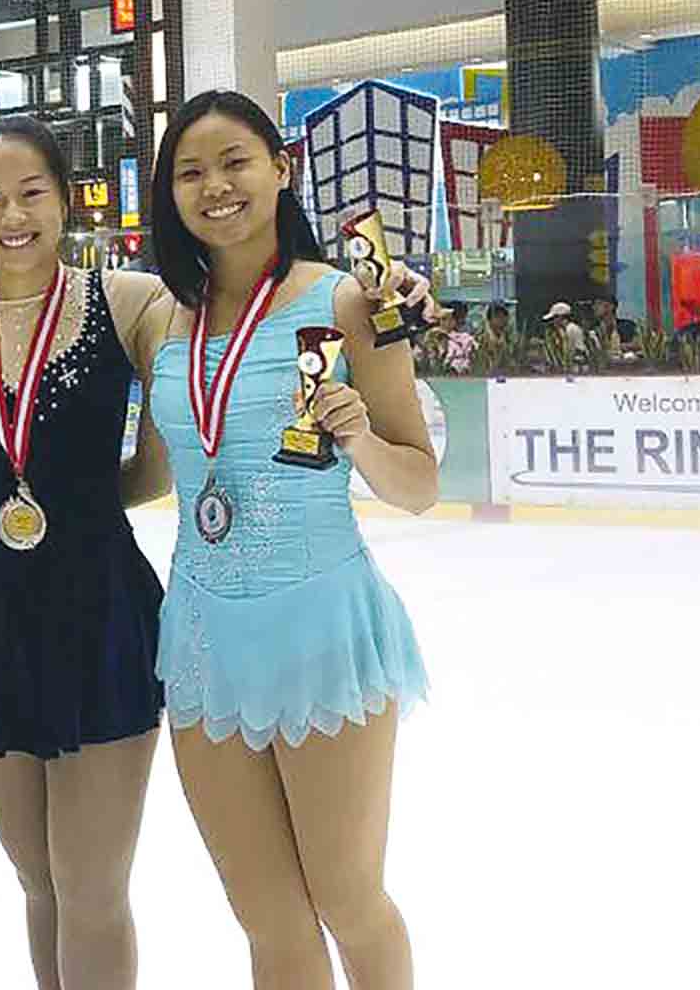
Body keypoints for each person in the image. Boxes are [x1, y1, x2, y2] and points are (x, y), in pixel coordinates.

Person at [141, 90, 432, 990]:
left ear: (281, 168)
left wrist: (359, 436)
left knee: (348, 899)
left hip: (320, 631)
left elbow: (419, 486)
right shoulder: (159, 314)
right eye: (190, 172)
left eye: (235, 162)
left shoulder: (349, 299)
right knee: (266, 917)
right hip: (203, 640)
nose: (215, 186)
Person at [0, 115, 176, 990]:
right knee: (38, 880)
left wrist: (85, 504)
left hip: (100, 608)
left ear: (65, 200)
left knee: (91, 887)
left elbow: (166, 444)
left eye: (31, 193)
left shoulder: (129, 301)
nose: (12, 216)